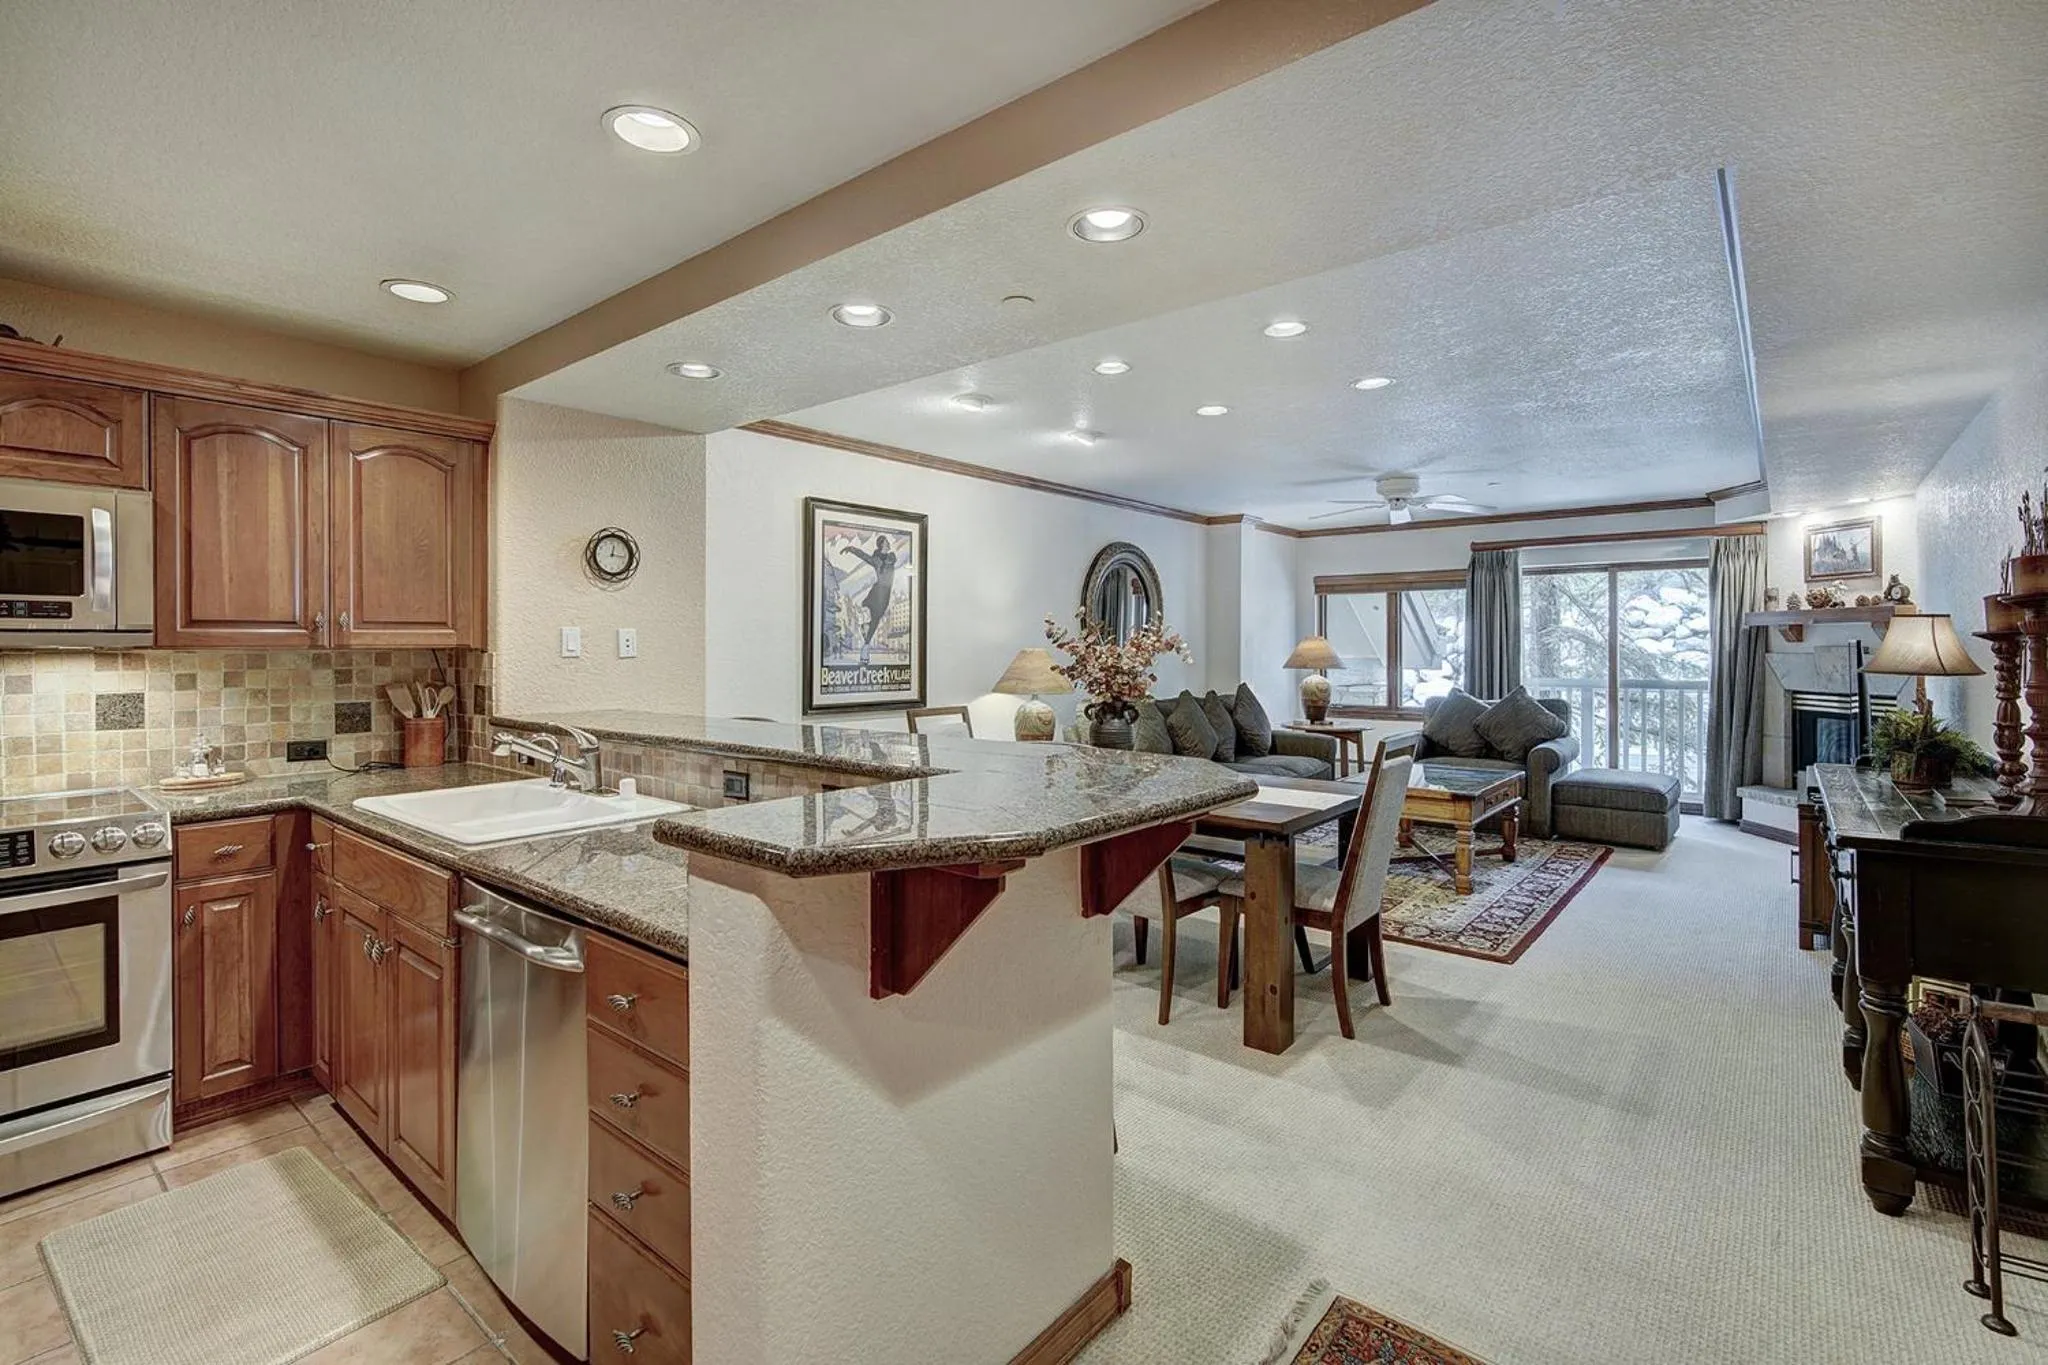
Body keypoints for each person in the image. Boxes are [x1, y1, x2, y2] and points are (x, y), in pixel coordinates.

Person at [837, 534, 899, 664]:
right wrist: (851, 548)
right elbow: (863, 555)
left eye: (888, 542)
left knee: (876, 619)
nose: (888, 544)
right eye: (886, 542)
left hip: (885, 595)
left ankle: (865, 630)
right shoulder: (876, 560)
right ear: (881, 544)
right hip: (878, 592)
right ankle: (865, 647)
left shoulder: (891, 557)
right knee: (874, 618)